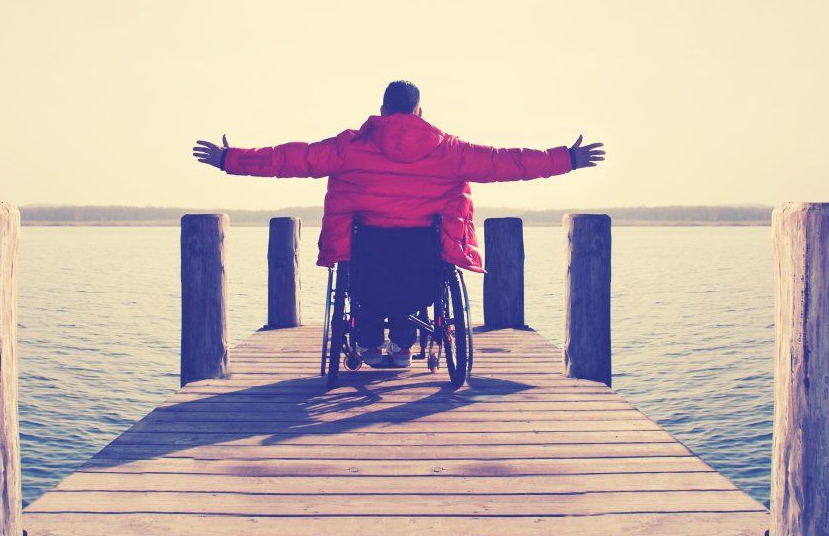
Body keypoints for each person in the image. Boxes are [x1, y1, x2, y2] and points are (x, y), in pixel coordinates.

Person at [191, 81, 606, 367]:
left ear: (384, 110)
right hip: (425, 265)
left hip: (364, 258)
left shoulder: (349, 148)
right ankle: (406, 343)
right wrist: (566, 158)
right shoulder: (451, 151)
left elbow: (289, 160)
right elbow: (508, 163)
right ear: (419, 111)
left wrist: (230, 159)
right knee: (417, 272)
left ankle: (370, 341)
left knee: (368, 273)